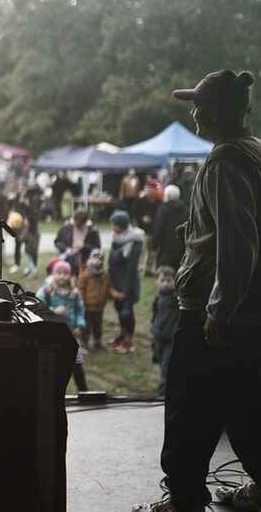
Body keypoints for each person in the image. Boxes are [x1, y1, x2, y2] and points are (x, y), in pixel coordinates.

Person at [134, 70, 261, 512]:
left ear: (218, 109)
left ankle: (184, 499)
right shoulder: (254, 151)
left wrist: (219, 309)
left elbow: (239, 240)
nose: (192, 112)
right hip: (253, 313)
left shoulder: (225, 161)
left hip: (215, 310)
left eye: (198, 104)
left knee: (189, 408)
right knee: (246, 411)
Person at [38, 260, 88, 392]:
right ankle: (54, 393)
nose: (62, 276)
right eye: (59, 273)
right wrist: (53, 310)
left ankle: (84, 392)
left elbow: (79, 311)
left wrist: (79, 325)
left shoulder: (74, 292)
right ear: (54, 274)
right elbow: (37, 308)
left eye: (66, 273)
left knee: (77, 364)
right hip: (53, 336)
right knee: (57, 366)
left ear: (70, 275)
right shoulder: (46, 291)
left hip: (72, 334)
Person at [108, 210, 144, 354]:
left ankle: (129, 341)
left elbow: (131, 268)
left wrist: (126, 290)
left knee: (127, 311)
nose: (112, 227)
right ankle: (122, 334)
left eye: (114, 224)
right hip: (115, 281)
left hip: (127, 283)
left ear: (121, 225)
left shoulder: (134, 242)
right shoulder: (117, 238)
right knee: (118, 307)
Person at [77, 249, 117, 352]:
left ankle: (97, 342)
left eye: (99, 259)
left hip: (100, 307)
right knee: (86, 326)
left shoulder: (104, 274)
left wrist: (115, 294)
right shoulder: (85, 274)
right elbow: (81, 290)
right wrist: (82, 302)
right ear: (90, 259)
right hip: (87, 307)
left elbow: (109, 287)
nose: (96, 261)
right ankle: (83, 343)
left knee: (98, 325)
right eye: (94, 258)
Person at [150, 265, 179, 399]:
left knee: (166, 369)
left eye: (169, 280)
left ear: (174, 281)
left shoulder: (175, 298)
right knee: (162, 365)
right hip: (158, 338)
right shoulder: (158, 296)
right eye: (162, 280)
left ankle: (162, 396)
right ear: (157, 281)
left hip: (170, 340)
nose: (166, 284)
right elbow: (155, 313)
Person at [54, 208, 102, 274]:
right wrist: (66, 249)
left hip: (85, 263)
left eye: (80, 225)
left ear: (86, 221)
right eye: (75, 223)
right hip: (68, 262)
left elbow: (97, 247)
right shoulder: (66, 227)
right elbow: (57, 242)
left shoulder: (92, 231)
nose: (77, 226)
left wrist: (84, 246)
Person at [152, 185, 188, 271]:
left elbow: (158, 228)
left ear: (168, 196)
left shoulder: (163, 209)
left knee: (164, 273)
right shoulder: (186, 209)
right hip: (181, 248)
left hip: (166, 249)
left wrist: (154, 246)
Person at [133, 181, 163, 276]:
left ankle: (148, 269)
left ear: (155, 190)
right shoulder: (140, 201)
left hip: (154, 231)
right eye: (148, 189)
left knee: (153, 252)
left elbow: (162, 216)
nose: (150, 191)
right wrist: (142, 218)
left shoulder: (160, 203)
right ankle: (138, 268)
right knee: (141, 250)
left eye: (152, 189)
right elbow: (133, 213)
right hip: (142, 230)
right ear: (145, 190)